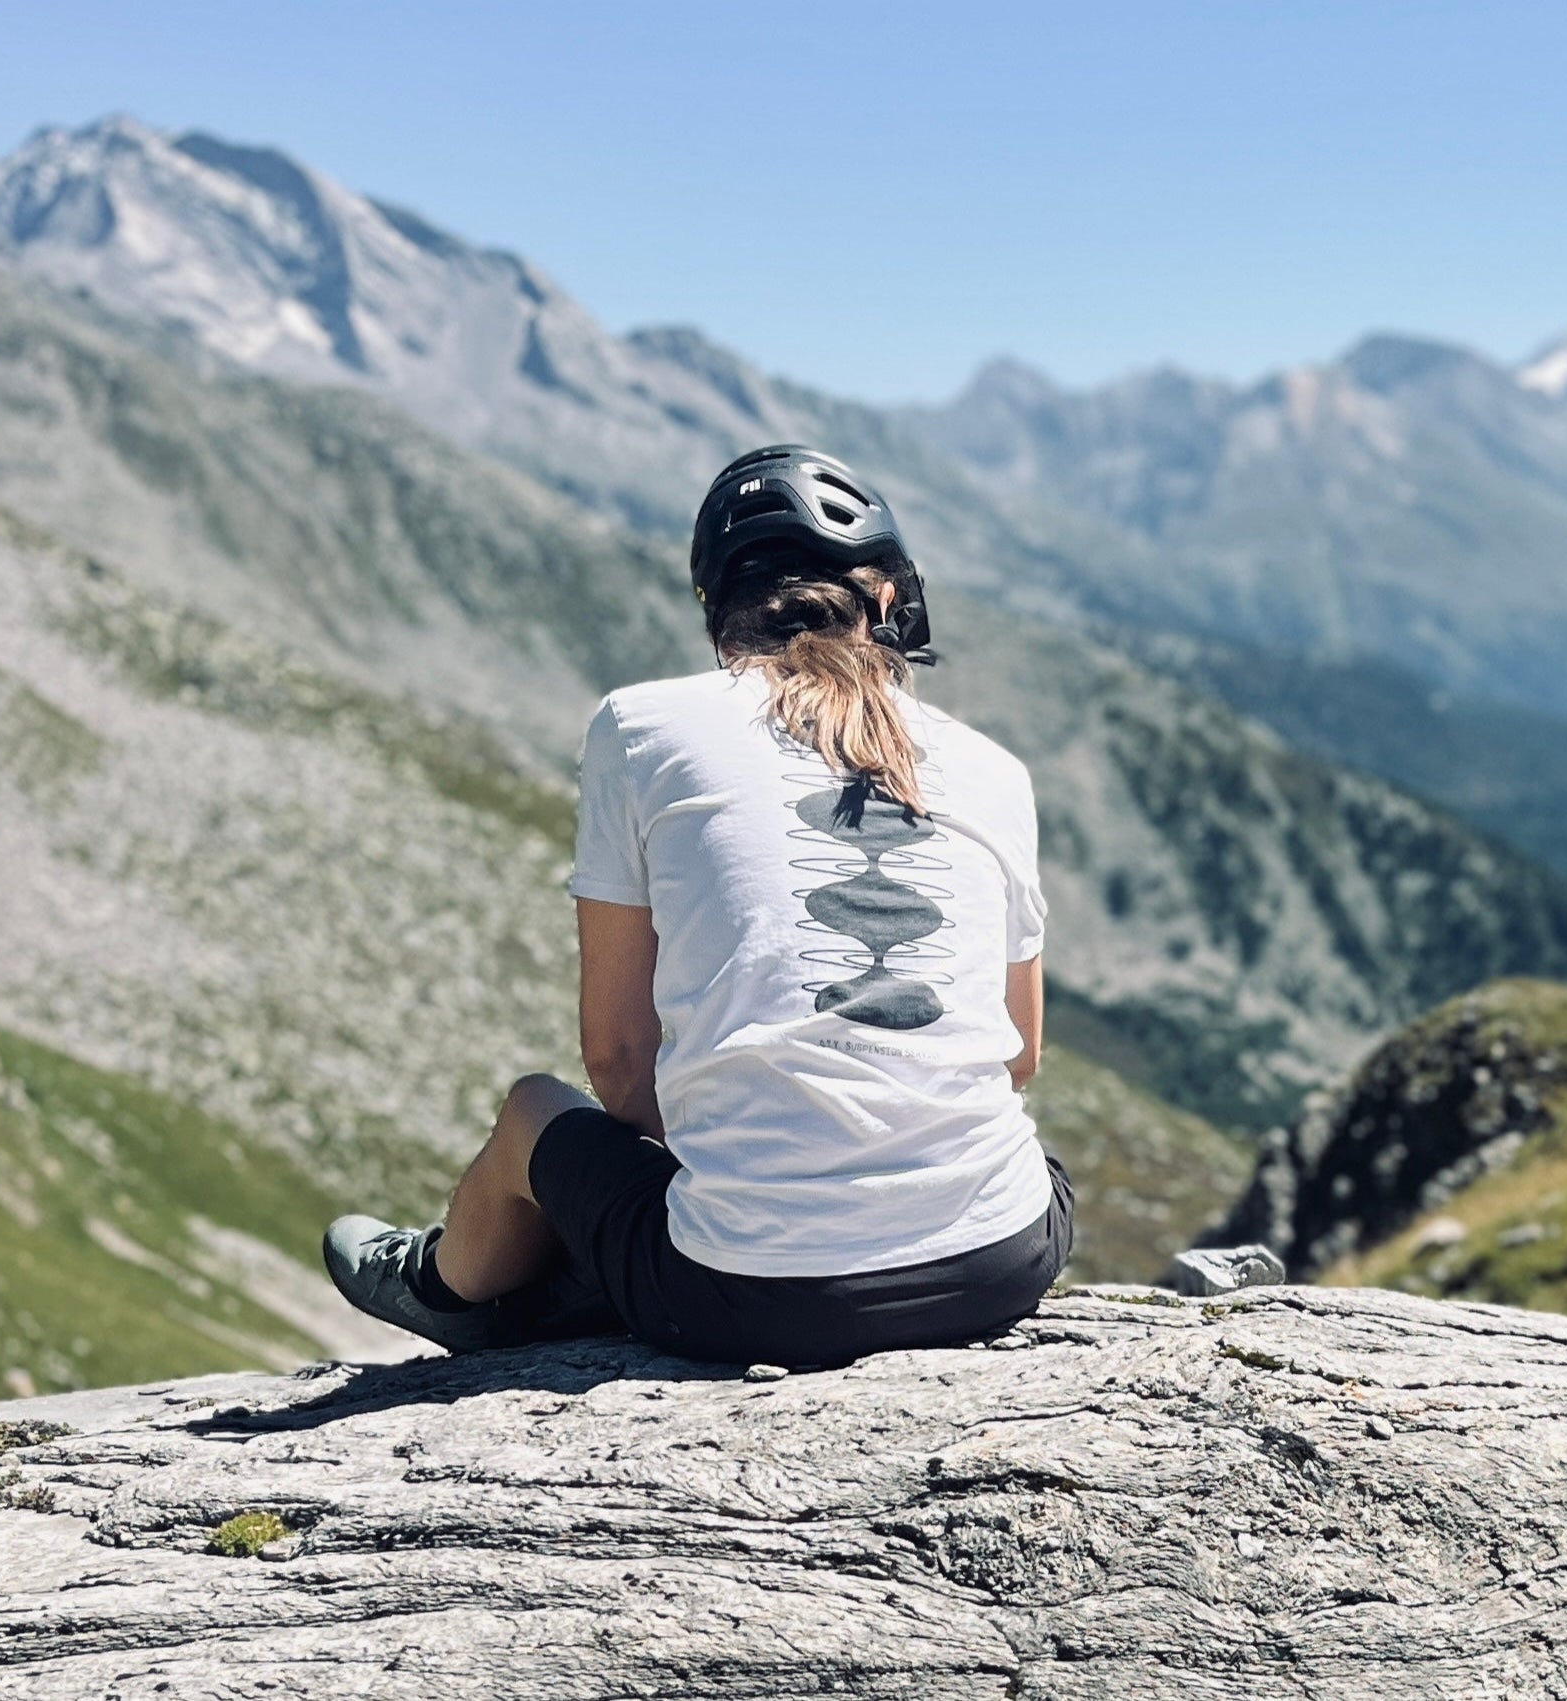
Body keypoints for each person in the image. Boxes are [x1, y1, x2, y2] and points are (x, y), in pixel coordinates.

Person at [322, 444, 1071, 1365]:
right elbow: (1018, 1053)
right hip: (999, 1263)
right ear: (887, 603)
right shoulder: (995, 768)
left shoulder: (641, 728)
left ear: (720, 617)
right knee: (1008, 1155)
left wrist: (748, 1149)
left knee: (532, 1114)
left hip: (743, 1299)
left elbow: (620, 1061)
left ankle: (448, 1290)